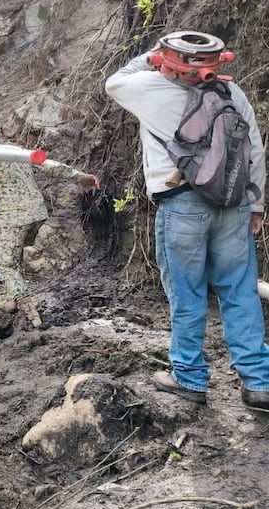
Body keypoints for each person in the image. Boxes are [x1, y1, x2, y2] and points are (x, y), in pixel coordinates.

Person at [106, 30, 269, 410]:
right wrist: (257, 204)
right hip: (234, 204)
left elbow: (115, 81)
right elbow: (254, 148)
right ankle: (260, 383)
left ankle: (190, 378)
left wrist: (151, 58)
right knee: (240, 291)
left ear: (169, 59)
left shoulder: (149, 88)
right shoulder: (233, 93)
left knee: (187, 293)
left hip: (182, 205)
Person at [0, 125, 99, 328]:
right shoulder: (16, 151)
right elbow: (50, 165)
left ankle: (31, 314)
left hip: (13, 217)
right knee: (15, 256)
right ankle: (14, 297)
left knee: (7, 265)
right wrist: (81, 176)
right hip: (37, 214)